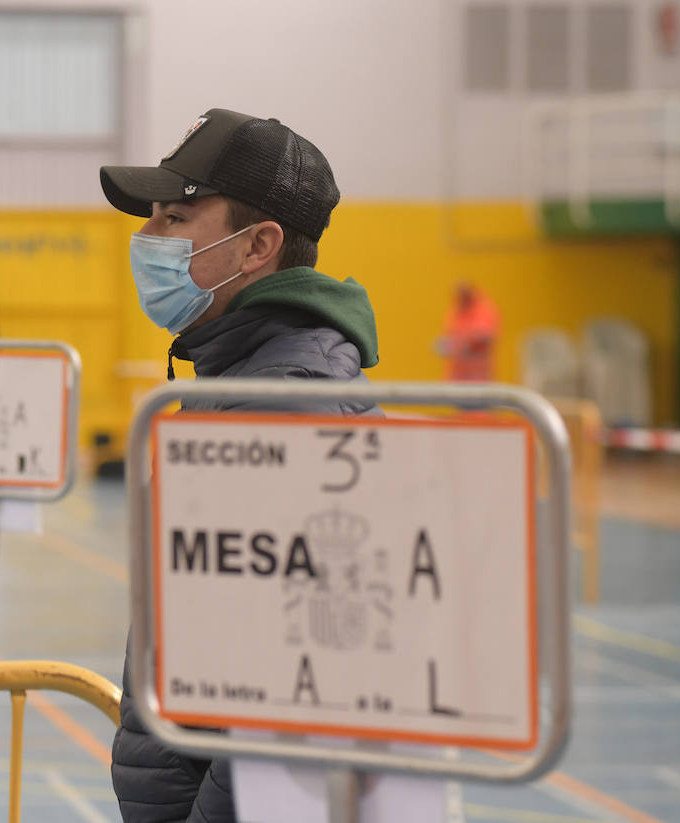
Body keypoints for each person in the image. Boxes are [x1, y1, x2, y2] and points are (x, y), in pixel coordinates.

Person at [98, 108, 382, 821]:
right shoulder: (238, 384)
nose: (146, 237)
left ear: (257, 246)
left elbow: (290, 697)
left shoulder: (284, 408)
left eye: (174, 217)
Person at [437, 281, 500, 381]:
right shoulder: (457, 311)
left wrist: (465, 342)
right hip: (457, 372)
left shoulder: (482, 310)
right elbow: (450, 333)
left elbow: (485, 335)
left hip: (477, 371)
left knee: (478, 393)